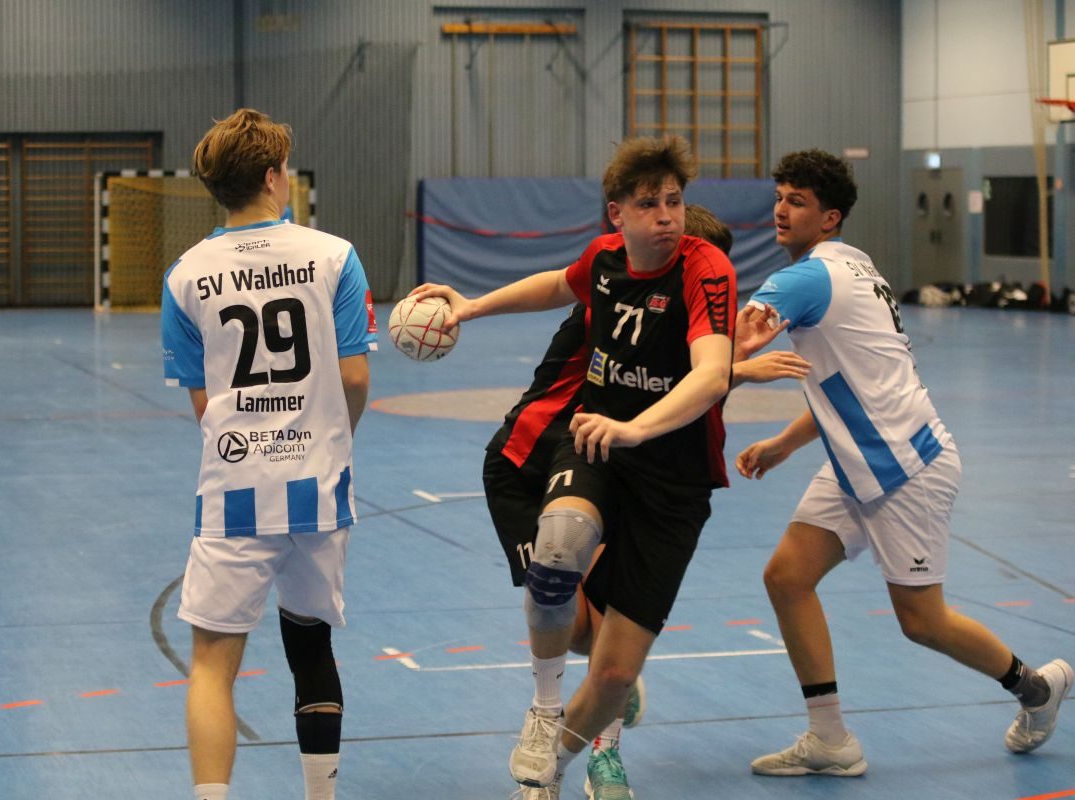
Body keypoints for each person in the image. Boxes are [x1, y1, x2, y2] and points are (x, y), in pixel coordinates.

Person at [415, 136, 753, 800]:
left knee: (614, 676)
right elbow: (556, 283)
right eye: (649, 204)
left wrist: (638, 428)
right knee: (559, 546)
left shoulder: (704, 267)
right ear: (616, 213)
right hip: (596, 445)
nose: (666, 215)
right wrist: (472, 307)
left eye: (674, 201)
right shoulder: (603, 260)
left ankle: (559, 763)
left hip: (672, 480)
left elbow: (712, 374)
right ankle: (543, 711)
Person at [734, 148, 1072, 777]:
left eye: (797, 202)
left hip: (905, 469)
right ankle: (830, 739)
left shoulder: (805, 279)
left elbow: (732, 346)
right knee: (786, 577)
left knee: (921, 621)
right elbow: (851, 383)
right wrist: (784, 443)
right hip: (859, 461)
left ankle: (1035, 687)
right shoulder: (858, 267)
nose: (781, 210)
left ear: (830, 218)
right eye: (779, 197)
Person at [481, 204, 808, 798]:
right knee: (575, 624)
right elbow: (666, 366)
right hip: (526, 464)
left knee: (610, 633)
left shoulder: (691, 323)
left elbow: (689, 386)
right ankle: (593, 696)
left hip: (613, 463)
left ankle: (600, 749)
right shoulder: (617, 298)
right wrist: (735, 367)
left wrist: (729, 362)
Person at [160, 108, 377, 800]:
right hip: (319, 487)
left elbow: (204, 404)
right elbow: (353, 378)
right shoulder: (335, 257)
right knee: (310, 643)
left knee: (211, 666)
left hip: (235, 492)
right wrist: (330, 439)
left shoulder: (185, 276)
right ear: (273, 175)